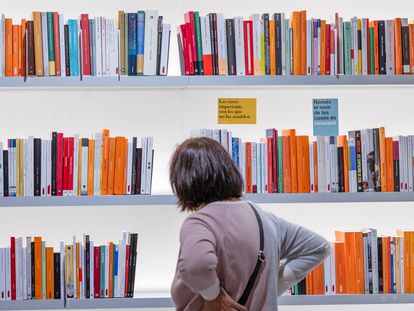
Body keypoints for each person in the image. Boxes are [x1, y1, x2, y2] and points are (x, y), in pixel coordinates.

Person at [170, 137, 330, 311]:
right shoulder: (265, 219)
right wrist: (272, 285)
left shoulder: (200, 223)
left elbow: (197, 265)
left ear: (184, 180)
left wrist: (214, 297)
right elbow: (319, 247)